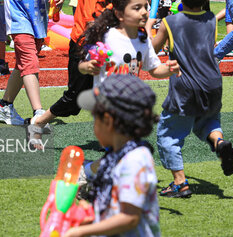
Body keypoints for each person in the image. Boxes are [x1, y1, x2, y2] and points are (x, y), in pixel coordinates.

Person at [152, 0, 233, 198]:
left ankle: (180, 183)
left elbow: (153, 50)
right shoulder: (211, 19)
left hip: (185, 87)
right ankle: (219, 143)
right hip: (213, 83)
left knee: (169, 135)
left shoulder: (170, 22)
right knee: (207, 122)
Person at [29, 0, 120, 132]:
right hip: (84, 47)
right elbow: (89, 19)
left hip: (95, 46)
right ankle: (38, 123)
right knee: (73, 100)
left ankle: (113, 135)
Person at [63, 74, 160, 237]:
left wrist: (80, 232)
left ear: (107, 121)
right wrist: (90, 210)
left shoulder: (135, 160)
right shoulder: (116, 156)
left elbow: (129, 218)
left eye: (95, 119)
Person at [77, 0, 179, 85]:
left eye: (145, 7)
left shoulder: (143, 40)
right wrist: (87, 67)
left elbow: (154, 69)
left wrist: (169, 69)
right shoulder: (106, 37)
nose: (144, 12)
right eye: (137, 8)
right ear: (120, 14)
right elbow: (81, 65)